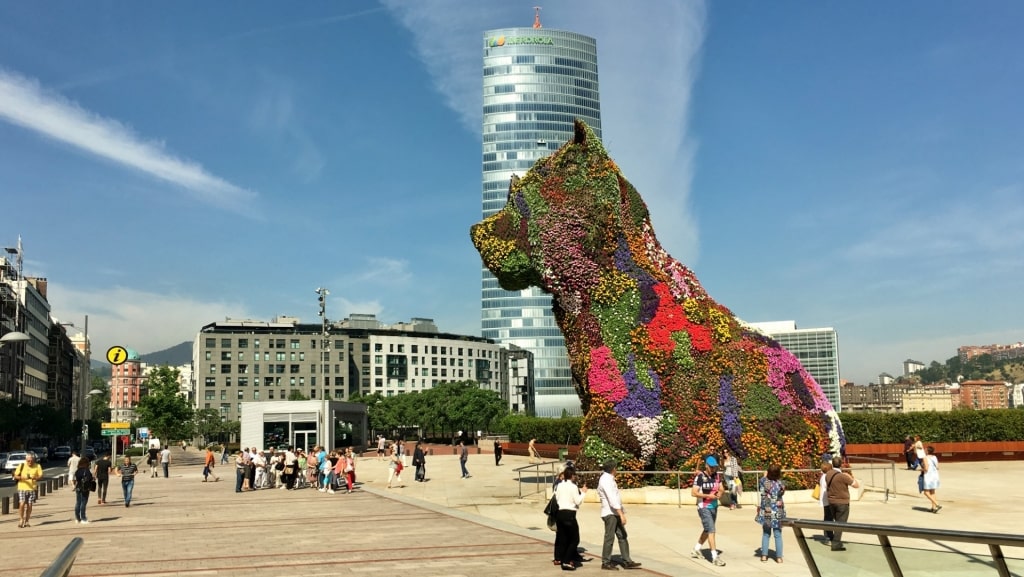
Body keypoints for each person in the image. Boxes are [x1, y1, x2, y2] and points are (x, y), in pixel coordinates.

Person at [597, 459, 641, 570]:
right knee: (609, 538)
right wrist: (621, 514)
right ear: (613, 469)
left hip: (614, 512)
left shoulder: (608, 479)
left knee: (622, 536)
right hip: (610, 513)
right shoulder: (606, 480)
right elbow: (612, 498)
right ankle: (606, 562)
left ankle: (627, 561)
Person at [691, 455, 726, 566]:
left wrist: (720, 493)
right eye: (711, 467)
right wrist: (708, 495)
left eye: (714, 467)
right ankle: (714, 557)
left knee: (707, 529)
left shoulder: (717, 476)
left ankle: (696, 549)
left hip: (714, 506)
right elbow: (694, 492)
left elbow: (721, 488)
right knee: (711, 530)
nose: (713, 469)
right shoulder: (700, 477)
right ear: (706, 466)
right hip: (704, 506)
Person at [554, 466, 587, 571]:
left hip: (560, 513)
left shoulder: (559, 485)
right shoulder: (573, 487)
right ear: (572, 476)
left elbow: (557, 498)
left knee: (563, 538)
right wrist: (583, 493)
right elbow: (577, 501)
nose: (575, 477)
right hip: (569, 514)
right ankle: (566, 561)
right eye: (574, 475)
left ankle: (563, 558)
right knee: (574, 539)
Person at [825, 456, 860, 551]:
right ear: (841, 464)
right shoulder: (843, 476)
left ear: (832, 464)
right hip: (842, 503)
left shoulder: (828, 474)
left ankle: (836, 540)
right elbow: (856, 485)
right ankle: (836, 544)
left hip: (831, 502)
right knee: (841, 523)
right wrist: (850, 477)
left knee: (837, 522)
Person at [757, 466, 786, 563]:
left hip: (767, 509)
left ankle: (764, 556)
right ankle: (779, 557)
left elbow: (762, 482)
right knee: (778, 534)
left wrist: (766, 475)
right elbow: (782, 493)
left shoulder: (764, 481)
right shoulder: (780, 483)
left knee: (766, 533)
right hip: (778, 510)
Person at [14, 451, 43, 528]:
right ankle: (21, 520)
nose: (30, 462)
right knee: (22, 503)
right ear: (26, 460)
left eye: (31, 461)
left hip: (32, 488)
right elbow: (15, 476)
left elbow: (41, 476)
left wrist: (35, 478)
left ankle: (27, 521)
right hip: (22, 487)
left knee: (30, 505)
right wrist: (21, 478)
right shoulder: (22, 465)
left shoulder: (37, 466)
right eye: (28, 461)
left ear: (34, 460)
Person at [920, 446, 942, 513]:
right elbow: (937, 467)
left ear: (927, 451)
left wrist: (921, 469)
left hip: (928, 476)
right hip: (935, 475)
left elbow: (926, 468)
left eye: (925, 450)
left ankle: (937, 504)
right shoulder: (934, 457)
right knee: (932, 491)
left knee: (926, 492)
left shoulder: (925, 457)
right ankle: (933, 508)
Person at [73, 456, 94, 524]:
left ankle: (77, 518)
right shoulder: (86, 470)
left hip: (78, 488)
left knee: (78, 503)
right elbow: (89, 478)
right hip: (85, 488)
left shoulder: (77, 470)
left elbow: (76, 479)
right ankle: (83, 518)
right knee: (83, 503)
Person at [819, 456, 834, 542]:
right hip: (827, 499)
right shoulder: (826, 477)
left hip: (825, 500)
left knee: (827, 517)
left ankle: (827, 533)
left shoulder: (823, 476)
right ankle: (828, 534)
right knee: (829, 517)